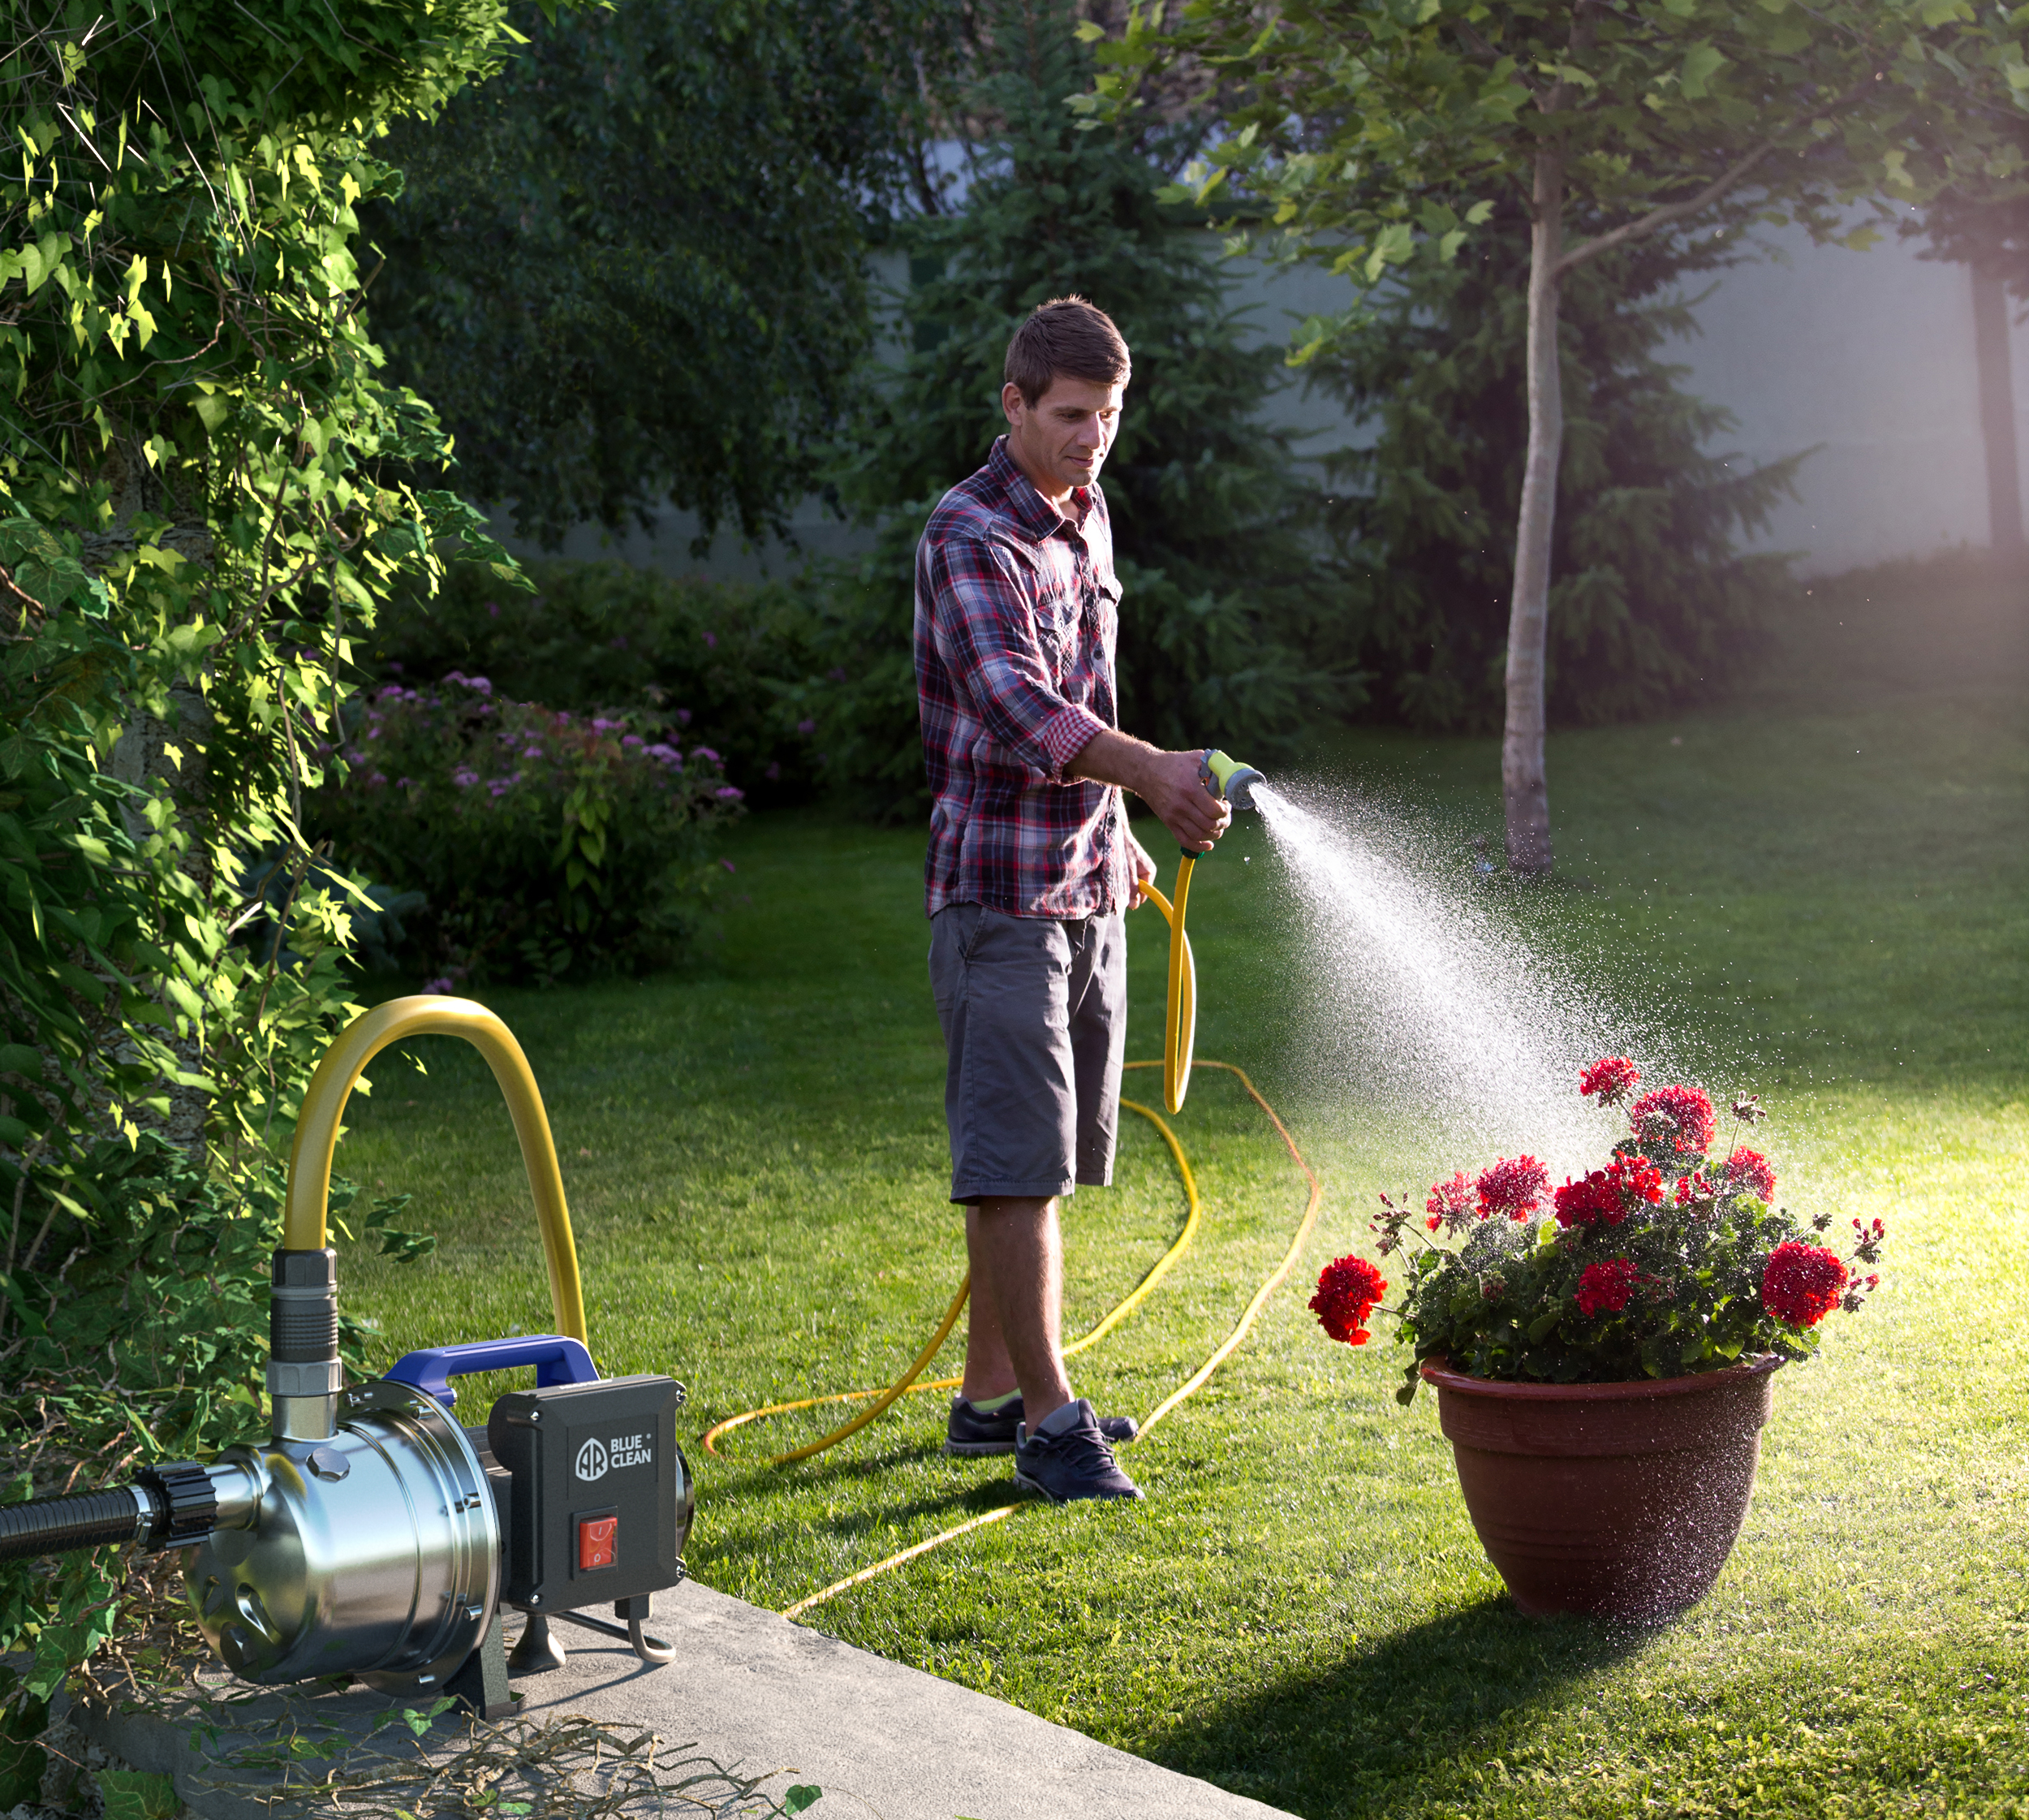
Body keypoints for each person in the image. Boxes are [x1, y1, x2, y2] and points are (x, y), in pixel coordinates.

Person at [915, 295, 1231, 1504]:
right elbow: (1017, 706)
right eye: (1068, 416)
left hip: (1087, 881)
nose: (1091, 438)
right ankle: (1051, 1423)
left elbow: (1084, 681)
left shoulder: (1088, 515)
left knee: (1045, 1157)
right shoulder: (969, 532)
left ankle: (990, 1403)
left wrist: (1120, 831)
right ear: (1013, 405)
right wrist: (1149, 772)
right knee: (1016, 1165)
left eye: (1107, 416)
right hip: (998, 894)